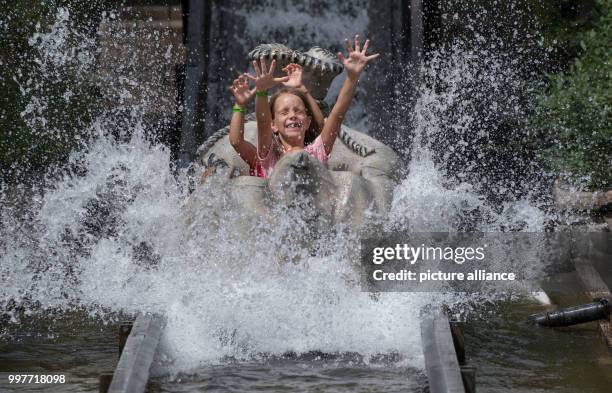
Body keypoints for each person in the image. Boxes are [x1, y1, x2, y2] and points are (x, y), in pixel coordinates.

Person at [229, 35, 378, 178]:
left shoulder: (317, 153)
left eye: (298, 111)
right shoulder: (268, 156)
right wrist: (252, 97)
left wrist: (352, 77)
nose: (292, 115)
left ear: (307, 122)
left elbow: (337, 113)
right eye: (284, 112)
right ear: (273, 125)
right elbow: (256, 127)